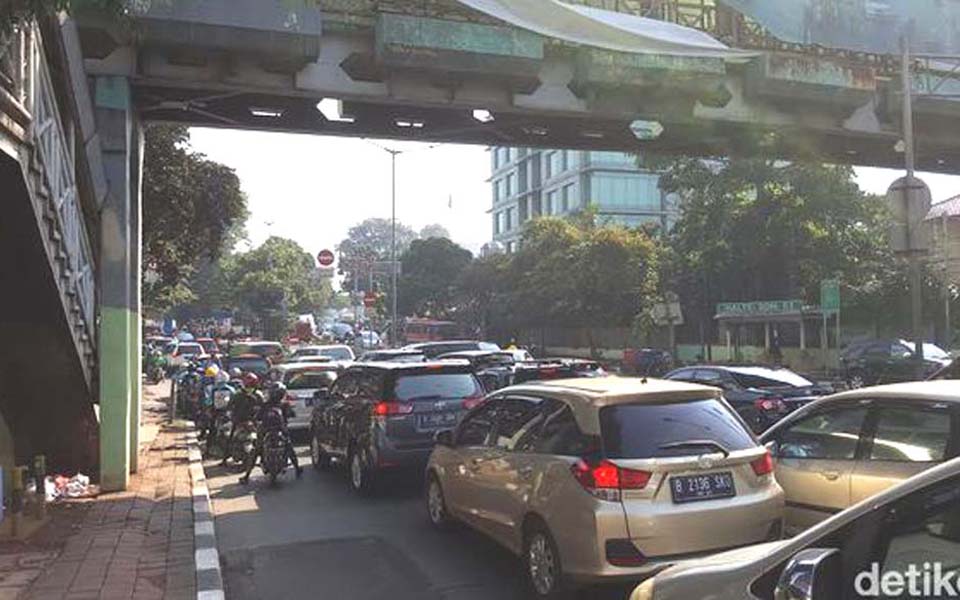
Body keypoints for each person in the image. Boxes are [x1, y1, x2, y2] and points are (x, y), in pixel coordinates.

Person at [239, 381, 302, 484]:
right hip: (281, 430)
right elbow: (292, 414)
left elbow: (258, 417)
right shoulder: (284, 404)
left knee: (257, 450)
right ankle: (297, 469)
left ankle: (246, 476)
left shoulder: (266, 405)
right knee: (289, 446)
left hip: (266, 430)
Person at [221, 372, 264, 466]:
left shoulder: (238, 394)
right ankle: (262, 459)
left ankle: (224, 459)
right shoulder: (257, 394)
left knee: (230, 438)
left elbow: (229, 406)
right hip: (251, 421)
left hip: (241, 420)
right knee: (261, 439)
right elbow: (263, 407)